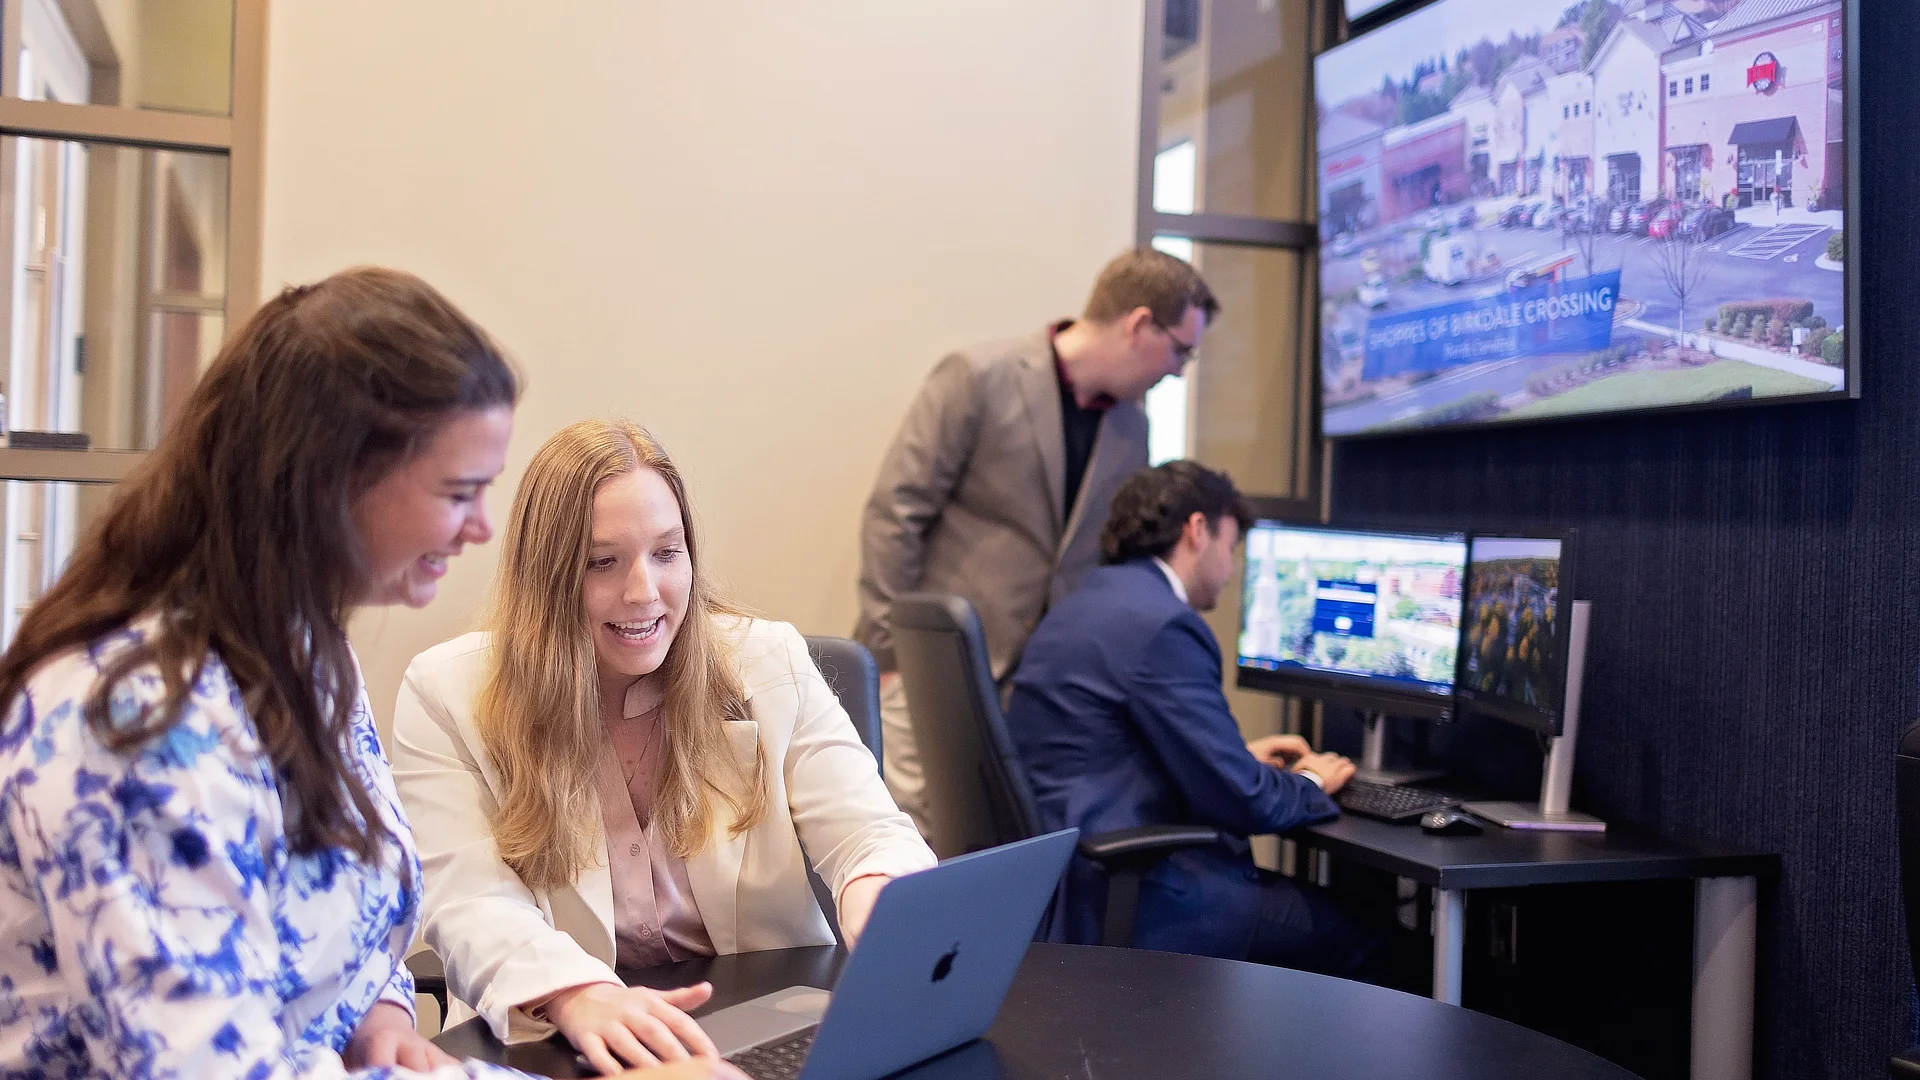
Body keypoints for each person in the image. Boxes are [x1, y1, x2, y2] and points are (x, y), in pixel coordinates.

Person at [0, 267, 572, 1078]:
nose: (483, 527)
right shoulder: (140, 723)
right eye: (459, 492)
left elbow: (341, 910)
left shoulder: (299, 649)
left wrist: (375, 1012)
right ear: (334, 479)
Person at [393, 419, 935, 1075]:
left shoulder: (770, 662)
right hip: (566, 1044)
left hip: (765, 1033)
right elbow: (469, 902)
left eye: (666, 553)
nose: (644, 592)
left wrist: (877, 891)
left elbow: (869, 832)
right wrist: (576, 994)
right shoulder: (446, 694)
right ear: (547, 577)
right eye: (603, 562)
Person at [856, 248, 1219, 835]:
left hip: (1035, 691)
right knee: (912, 852)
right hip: (931, 671)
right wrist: (890, 654)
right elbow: (895, 513)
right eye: (1181, 349)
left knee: (996, 855)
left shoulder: (1134, 427)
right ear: (1139, 324)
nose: (1179, 369)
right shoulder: (976, 376)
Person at [1005, 461, 1407, 982]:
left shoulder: (1085, 603)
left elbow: (1111, 748)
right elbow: (1248, 799)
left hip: (1064, 885)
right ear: (1198, 530)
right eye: (1231, 547)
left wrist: (1239, 757)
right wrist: (1310, 781)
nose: (1231, 568)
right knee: (1386, 947)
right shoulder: (1165, 625)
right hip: (1140, 898)